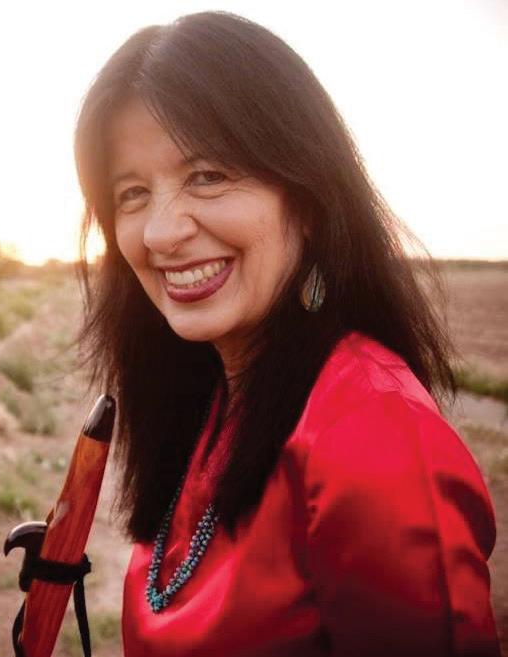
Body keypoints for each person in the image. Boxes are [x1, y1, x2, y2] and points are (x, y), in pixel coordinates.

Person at [72, 11, 501, 657]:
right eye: (132, 192)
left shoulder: (373, 431)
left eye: (208, 176)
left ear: (307, 196)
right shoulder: (213, 395)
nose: (160, 232)